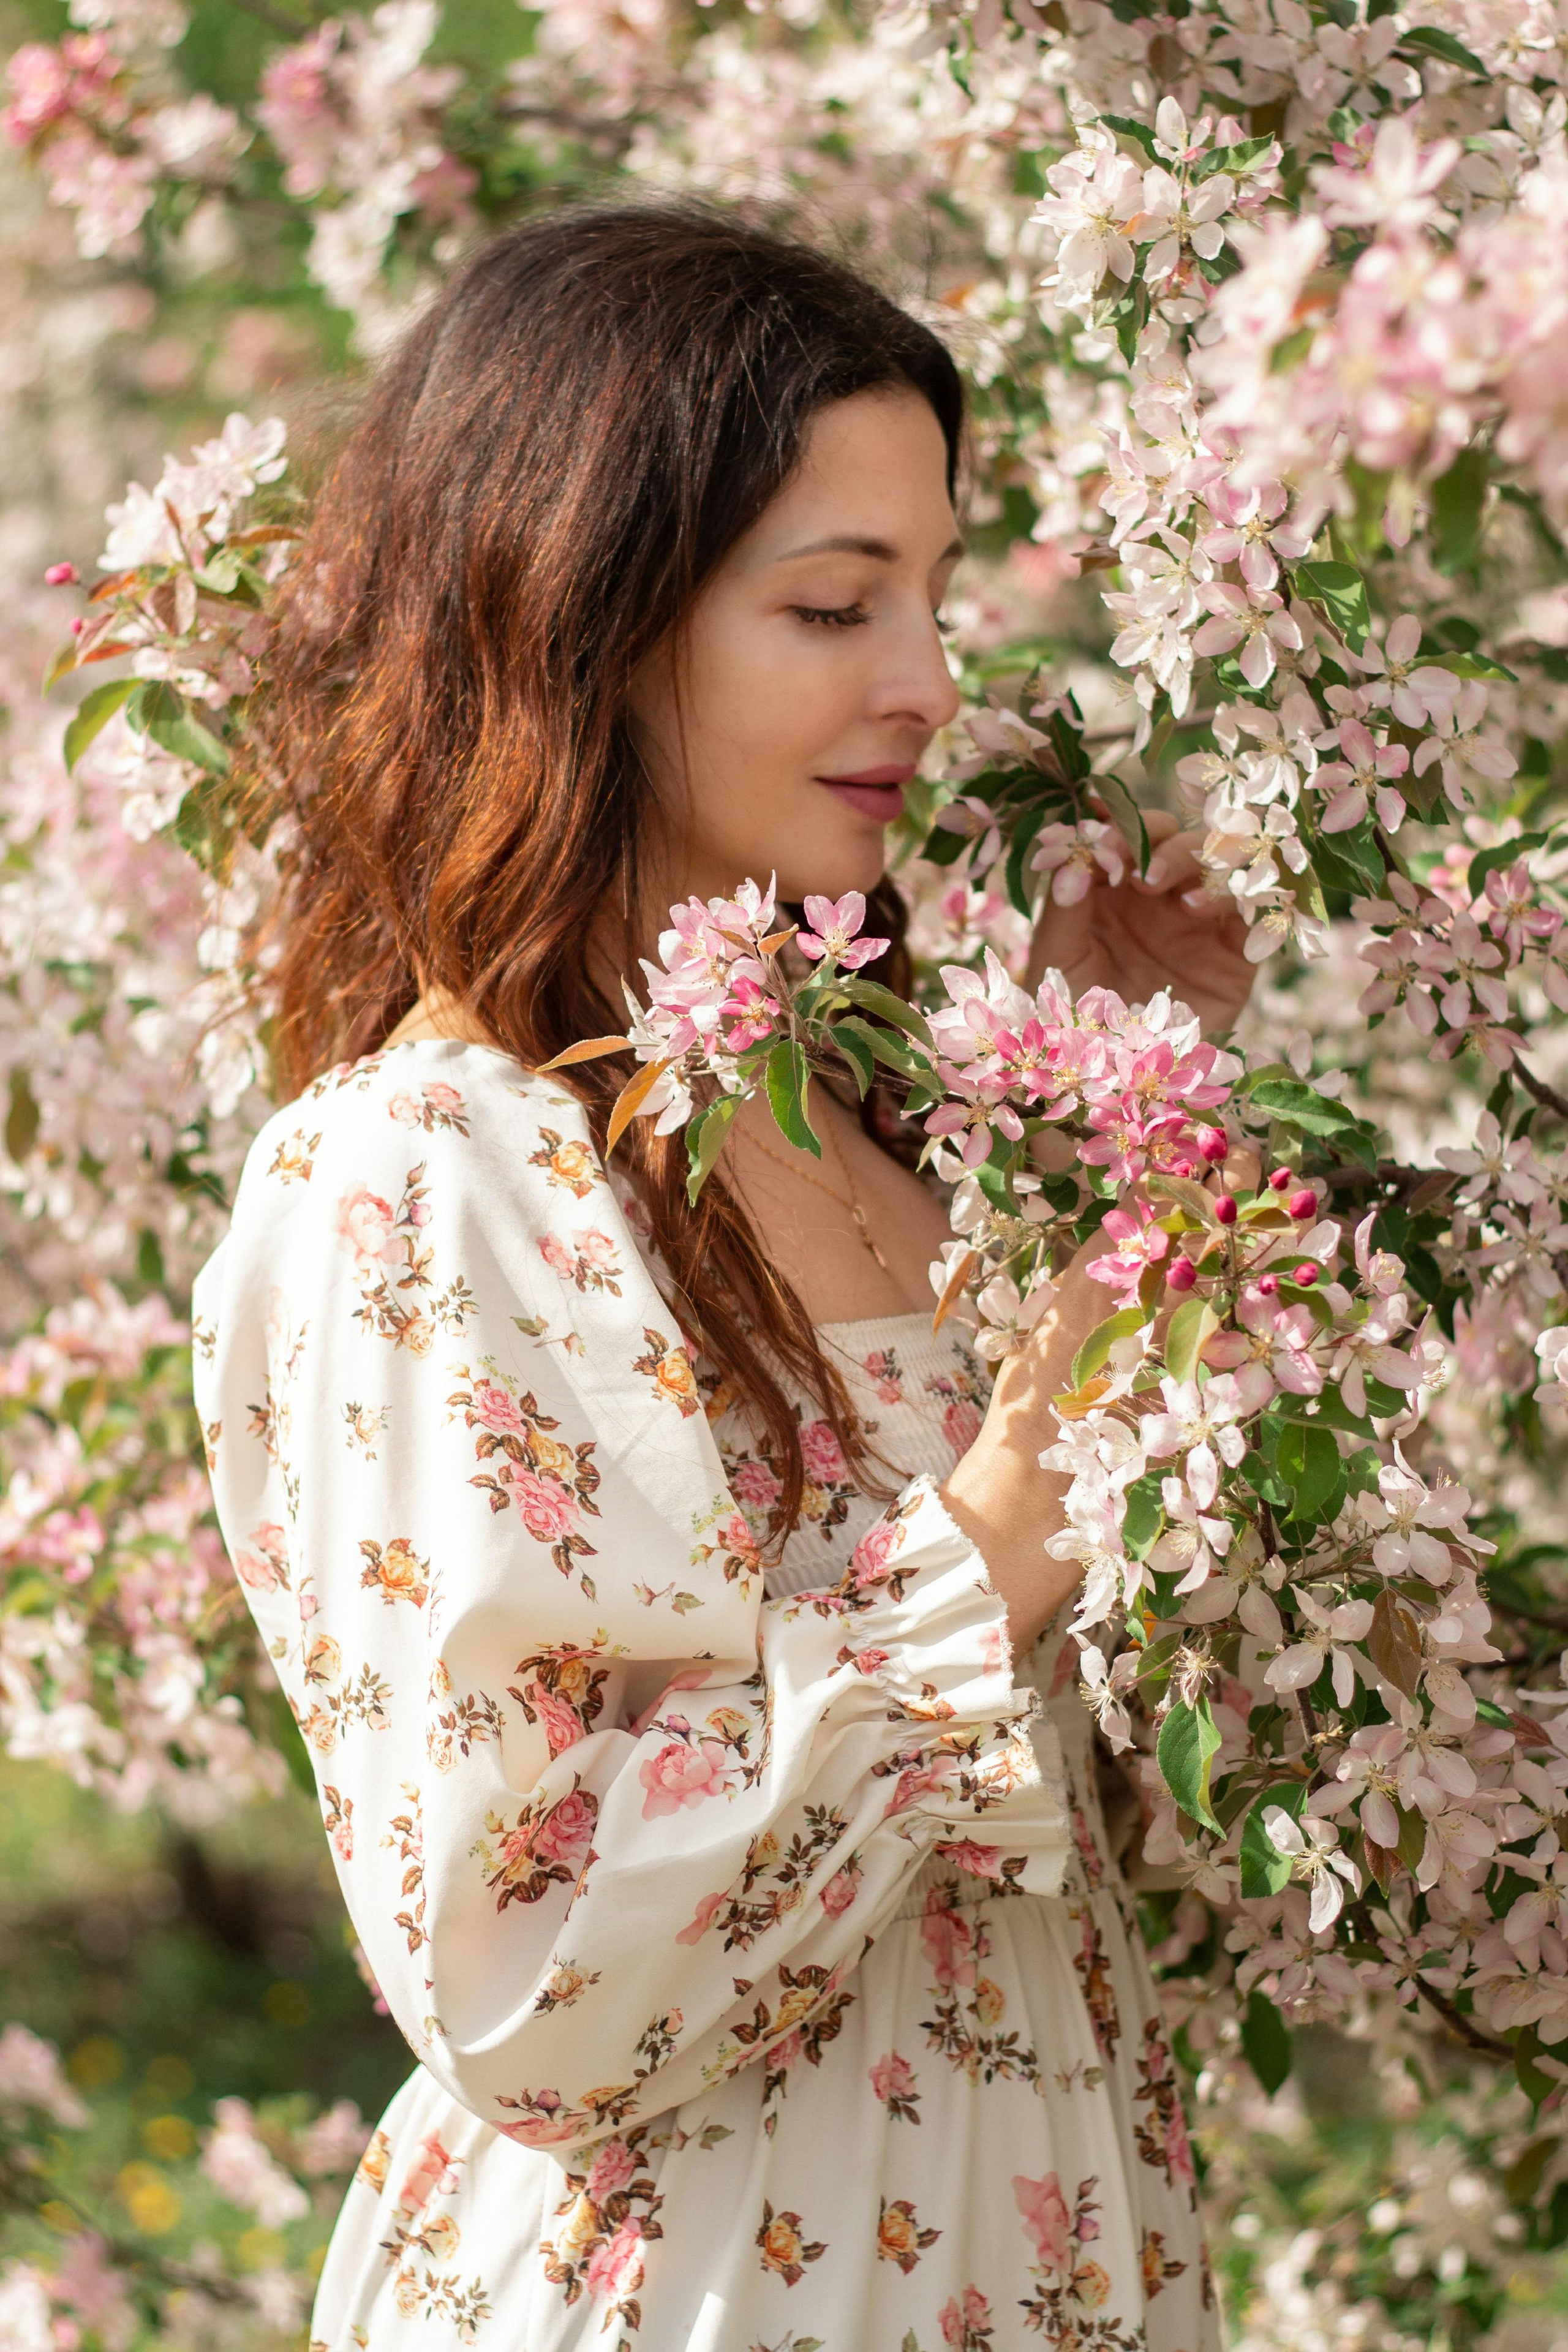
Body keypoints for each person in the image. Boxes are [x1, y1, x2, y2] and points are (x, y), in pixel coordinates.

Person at [193, 203, 1254, 2352]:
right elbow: (519, 1969)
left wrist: (1095, 1118)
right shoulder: (438, 1173)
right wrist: (994, 1550)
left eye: (933, 595)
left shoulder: (881, 1118)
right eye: (832, 605)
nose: (927, 683)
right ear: (583, 624)